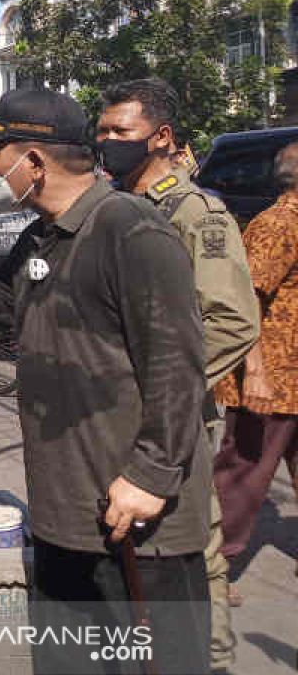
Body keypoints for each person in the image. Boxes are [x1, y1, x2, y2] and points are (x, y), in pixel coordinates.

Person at [0, 89, 211, 674]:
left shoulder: (129, 230)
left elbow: (177, 361)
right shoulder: (42, 236)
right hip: (68, 514)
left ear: (33, 163)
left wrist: (151, 473)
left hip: (139, 523)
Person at [96, 78, 259, 674]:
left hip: (176, 409)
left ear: (161, 138)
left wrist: (168, 384)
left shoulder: (197, 214)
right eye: (103, 131)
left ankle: (210, 661)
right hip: (123, 409)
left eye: (122, 132)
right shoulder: (122, 207)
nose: (108, 142)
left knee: (194, 546)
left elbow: (233, 321)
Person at [214, 142, 298, 595]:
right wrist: (257, 372)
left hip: (294, 377)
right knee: (243, 477)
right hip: (271, 380)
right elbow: (246, 300)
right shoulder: (278, 224)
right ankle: (212, 567)